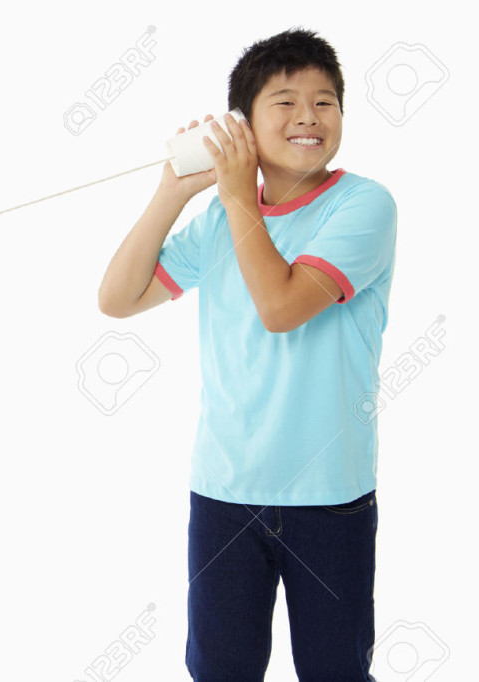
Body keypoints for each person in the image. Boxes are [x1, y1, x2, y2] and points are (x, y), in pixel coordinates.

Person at [98, 28, 396, 681]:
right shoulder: (217, 222)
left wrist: (235, 196)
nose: (309, 117)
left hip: (330, 497)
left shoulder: (365, 205)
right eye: (284, 102)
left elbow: (281, 307)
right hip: (224, 493)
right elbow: (117, 299)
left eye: (325, 101)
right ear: (244, 126)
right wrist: (173, 191)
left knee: (335, 671)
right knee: (220, 670)